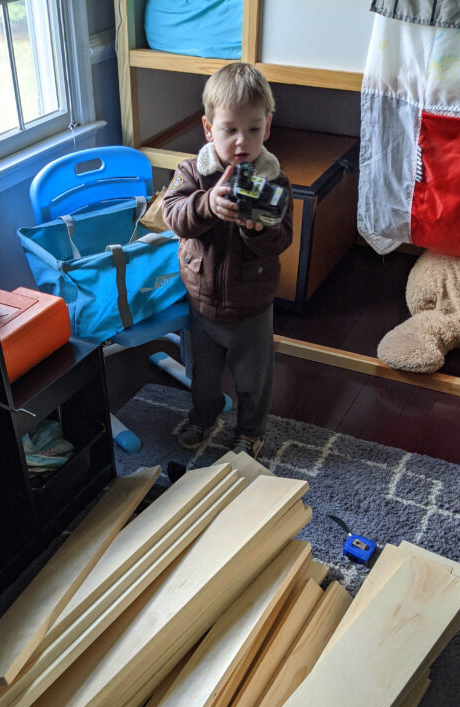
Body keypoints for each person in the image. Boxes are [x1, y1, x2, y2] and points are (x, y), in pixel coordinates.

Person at [162, 62, 293, 460]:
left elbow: (283, 238)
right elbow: (172, 214)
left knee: (254, 379)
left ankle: (250, 431)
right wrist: (205, 204)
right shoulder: (192, 172)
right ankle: (204, 415)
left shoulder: (274, 182)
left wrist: (259, 231)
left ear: (267, 128)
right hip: (201, 300)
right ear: (208, 129)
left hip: (251, 305)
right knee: (202, 374)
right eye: (229, 129)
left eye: (253, 129)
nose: (242, 141)